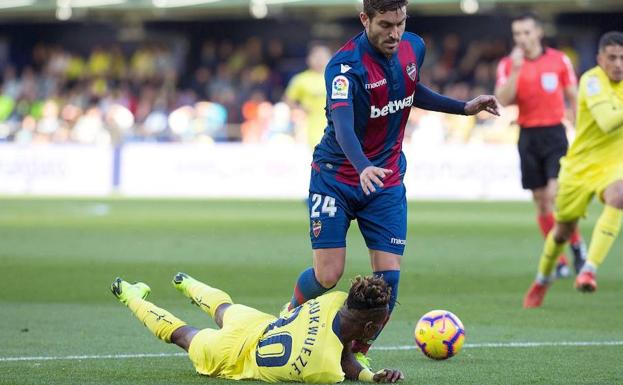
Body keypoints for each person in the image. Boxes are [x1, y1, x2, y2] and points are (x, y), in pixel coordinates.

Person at [284, 0, 499, 366]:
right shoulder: (344, 67)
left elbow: (411, 91)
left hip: (385, 182)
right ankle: (288, 315)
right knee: (328, 274)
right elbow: (343, 125)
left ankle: (355, 356)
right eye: (385, 24)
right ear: (365, 19)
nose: (395, 33)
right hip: (336, 178)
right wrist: (363, 165)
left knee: (388, 283)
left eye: (400, 23)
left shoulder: (414, 46)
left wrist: (464, 107)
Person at [111, 273, 405, 383]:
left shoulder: (335, 300)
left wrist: (370, 376)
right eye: (380, 323)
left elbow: (340, 347)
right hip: (234, 357)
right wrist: (365, 375)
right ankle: (129, 295)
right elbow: (339, 359)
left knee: (224, 309)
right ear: (368, 327)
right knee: (183, 335)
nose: (381, 327)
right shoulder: (325, 369)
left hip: (259, 324)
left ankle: (185, 283)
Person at [523, 31, 623, 308]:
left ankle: (588, 269)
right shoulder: (592, 81)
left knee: (620, 196)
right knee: (562, 231)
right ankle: (542, 280)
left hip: (613, 166)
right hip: (578, 168)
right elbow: (606, 121)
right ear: (600, 58)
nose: (618, 64)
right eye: (612, 58)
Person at [495, 12, 587, 278]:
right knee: (541, 202)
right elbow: (503, 99)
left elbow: (574, 97)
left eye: (526, 32)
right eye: (517, 34)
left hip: (555, 134)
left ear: (538, 33)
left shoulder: (559, 60)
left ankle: (578, 247)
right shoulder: (508, 64)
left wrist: (581, 132)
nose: (521, 38)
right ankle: (557, 259)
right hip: (528, 135)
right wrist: (515, 70)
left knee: (556, 195)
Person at [284, 44, 332, 149]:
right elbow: (288, 100)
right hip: (308, 128)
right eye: (316, 57)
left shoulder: (336, 78)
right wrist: (300, 109)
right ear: (309, 59)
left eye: (323, 57)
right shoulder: (300, 79)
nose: (319, 60)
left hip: (333, 127)